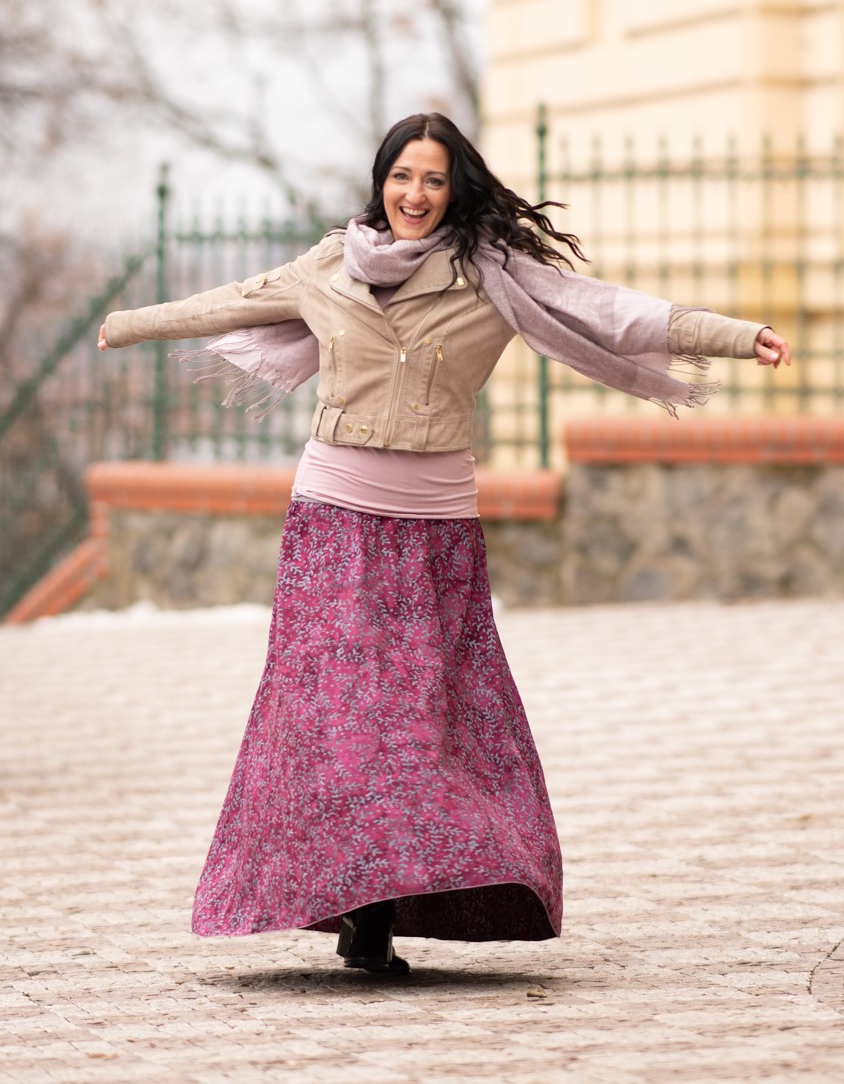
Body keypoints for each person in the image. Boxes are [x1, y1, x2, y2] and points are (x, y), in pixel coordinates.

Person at [99, 113, 791, 976]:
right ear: (381, 183)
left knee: (420, 727)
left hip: (436, 533)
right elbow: (230, 301)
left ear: (455, 188)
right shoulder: (328, 264)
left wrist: (736, 335)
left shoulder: (493, 274)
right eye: (402, 176)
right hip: (333, 521)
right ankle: (363, 908)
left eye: (432, 179)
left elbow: (611, 312)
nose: (415, 194)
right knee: (336, 720)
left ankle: (381, 902)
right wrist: (128, 323)